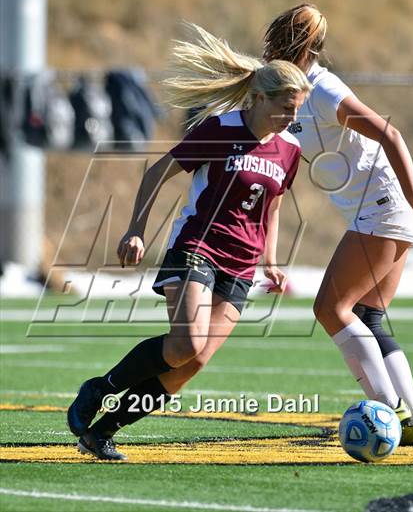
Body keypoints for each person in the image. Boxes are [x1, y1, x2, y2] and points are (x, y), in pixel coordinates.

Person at [67, 23, 312, 460]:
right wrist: (136, 228)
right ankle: (99, 388)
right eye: (285, 107)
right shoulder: (219, 130)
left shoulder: (289, 149)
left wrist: (272, 261)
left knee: (193, 364)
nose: (291, 118)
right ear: (259, 98)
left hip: (242, 265)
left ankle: (101, 433)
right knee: (186, 345)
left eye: (297, 111)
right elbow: (156, 173)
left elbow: (270, 207)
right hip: (198, 246)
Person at [263, 3, 413, 445]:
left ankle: (390, 414)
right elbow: (279, 180)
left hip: (384, 208)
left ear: (294, 45)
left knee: (329, 309)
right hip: (381, 211)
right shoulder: (288, 94)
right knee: (367, 316)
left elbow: (390, 133)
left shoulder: (324, 88)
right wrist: (271, 256)